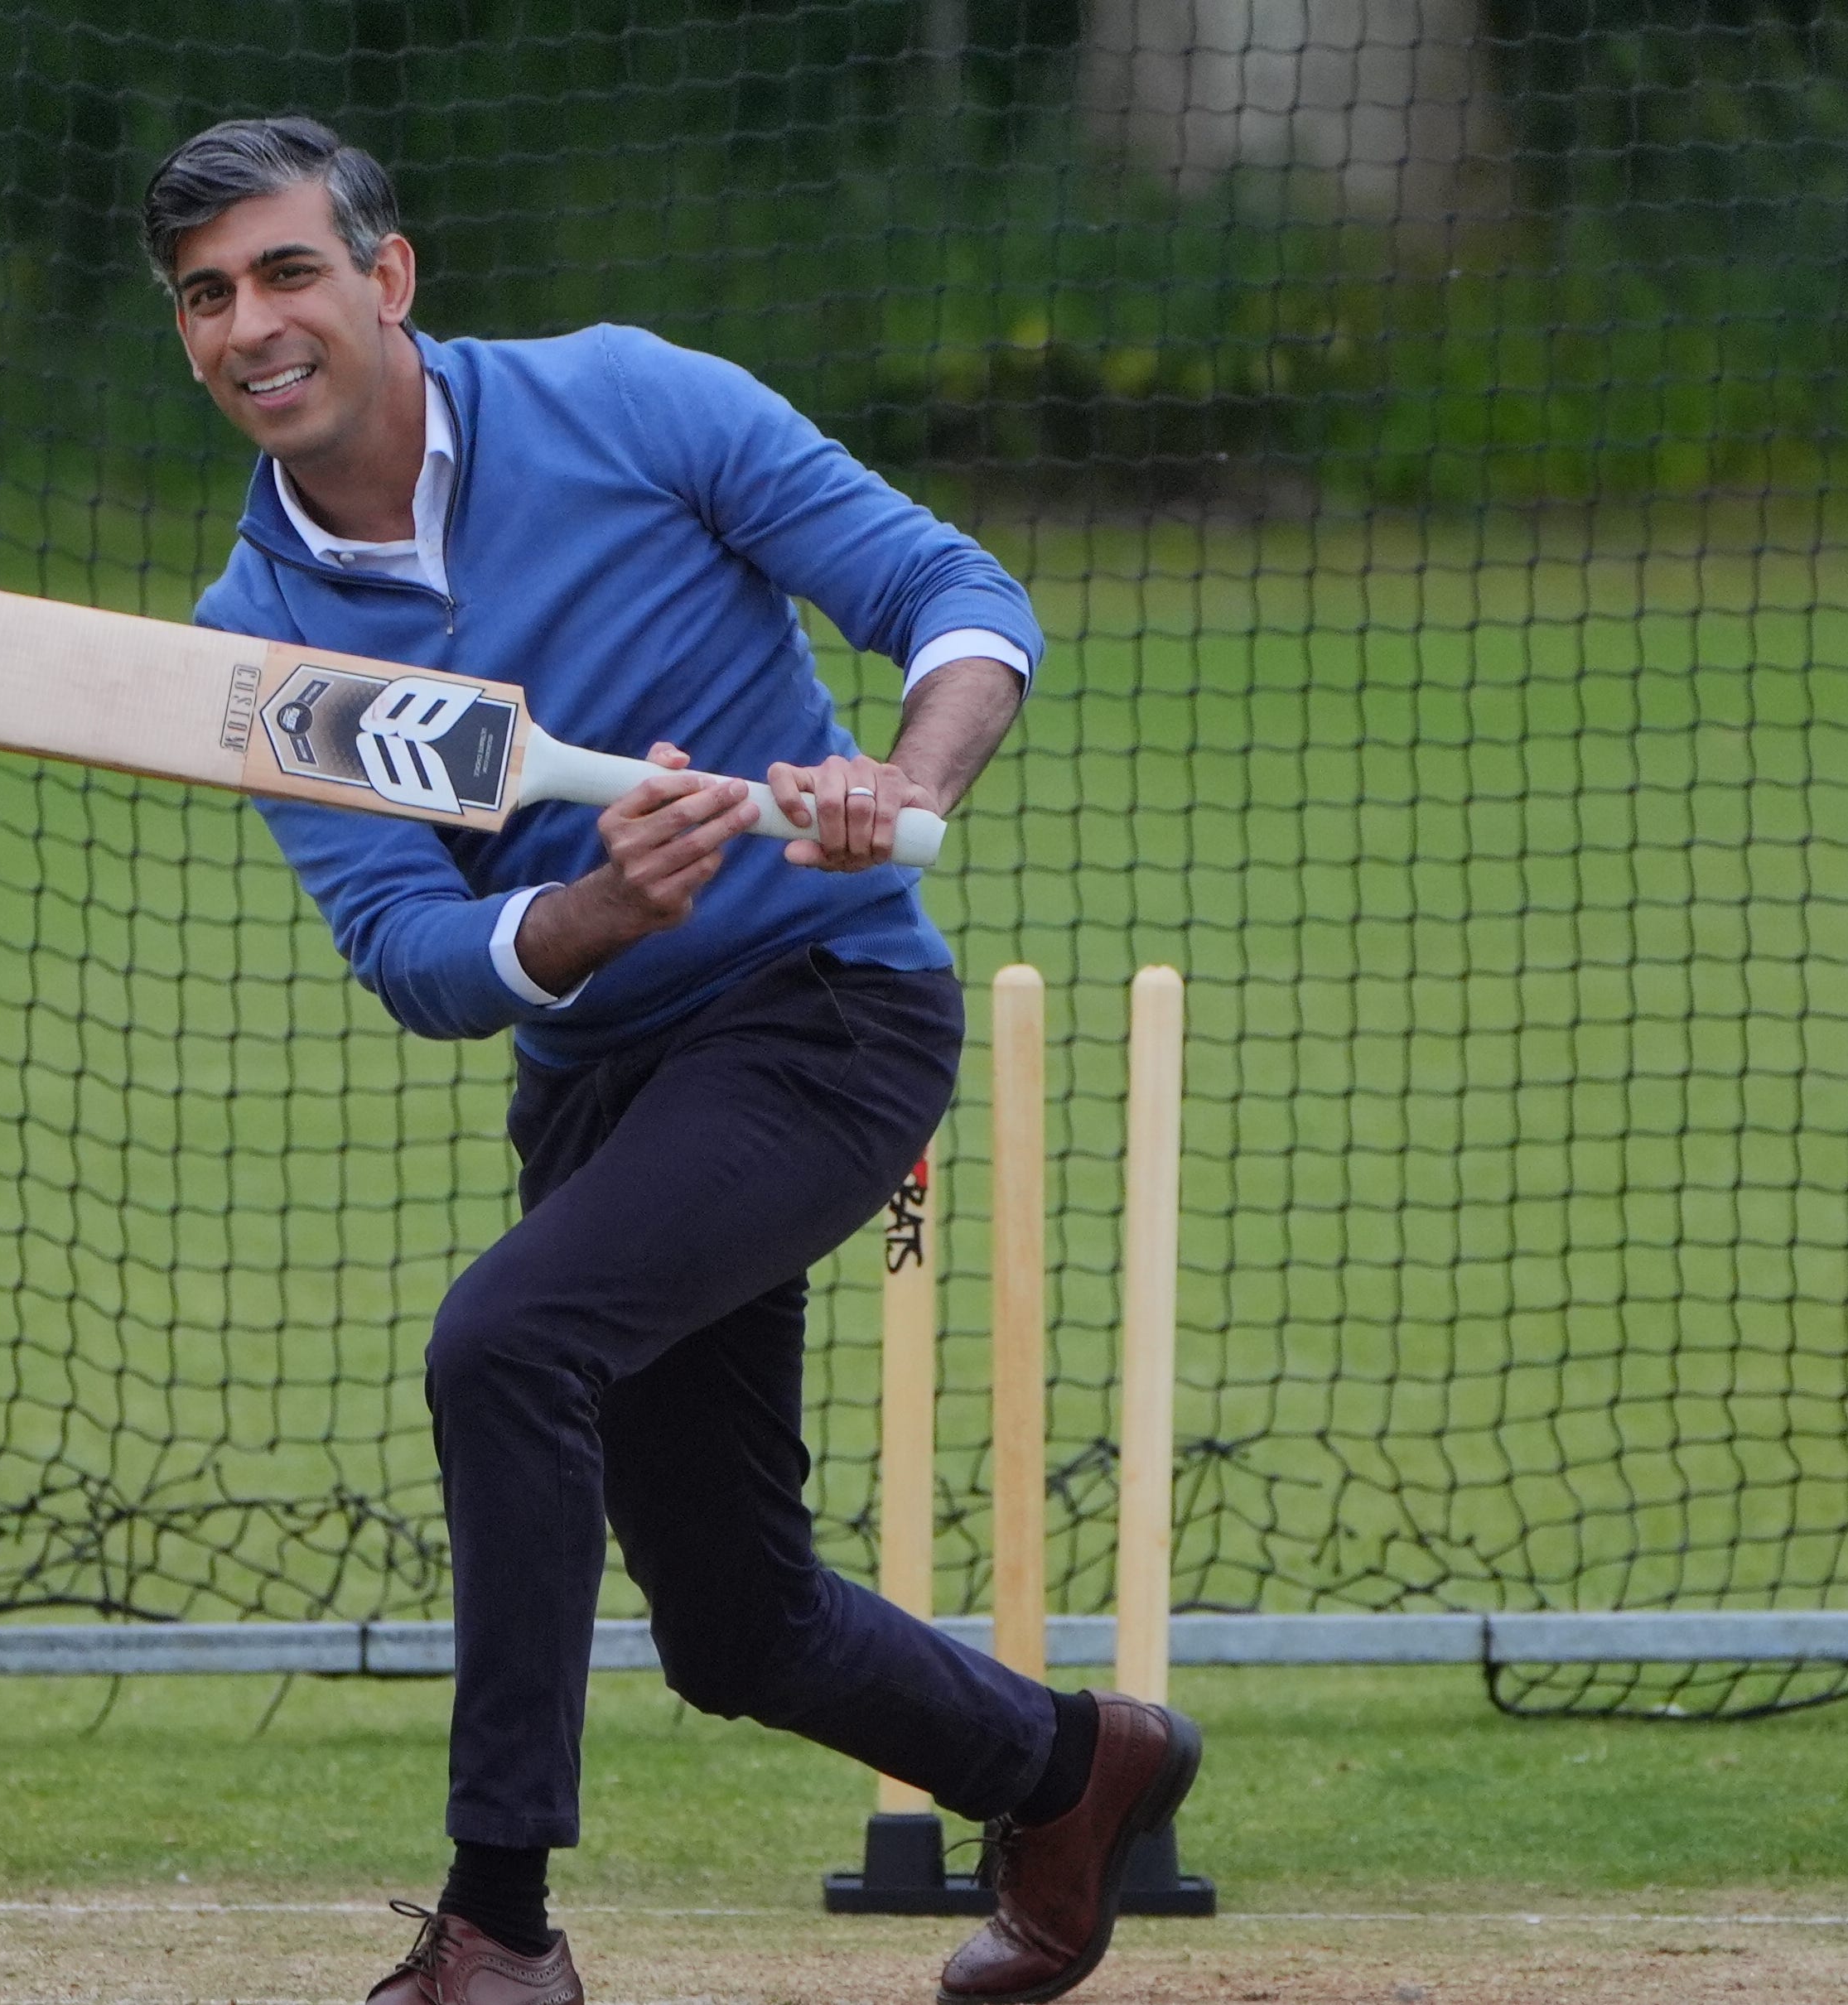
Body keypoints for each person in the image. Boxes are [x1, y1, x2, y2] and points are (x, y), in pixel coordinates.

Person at [145, 116, 1199, 2005]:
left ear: (385, 279)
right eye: (207, 297)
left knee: (505, 1339)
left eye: (286, 271)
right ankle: (1070, 1768)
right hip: (605, 1083)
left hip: (824, 1010)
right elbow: (415, 952)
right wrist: (593, 914)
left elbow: (959, 598)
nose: (250, 325)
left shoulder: (630, 403)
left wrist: (904, 776)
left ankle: (499, 1930)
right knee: (730, 1621)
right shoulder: (264, 636)